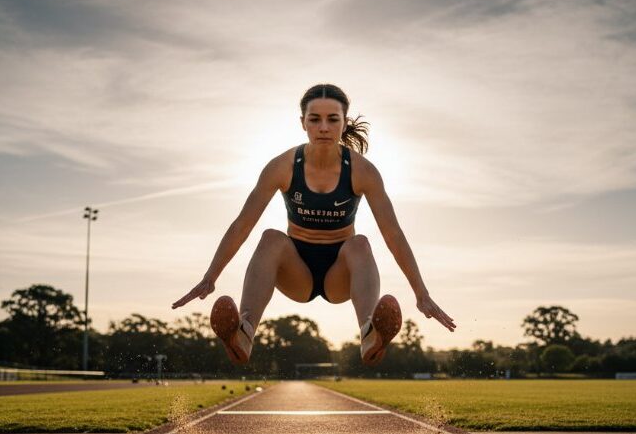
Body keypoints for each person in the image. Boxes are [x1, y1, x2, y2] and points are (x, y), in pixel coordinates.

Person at [172, 83, 455, 365]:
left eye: (333, 119)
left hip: (340, 274)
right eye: (315, 119)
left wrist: (421, 293)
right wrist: (210, 277)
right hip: (297, 273)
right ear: (303, 123)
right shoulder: (282, 166)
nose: (323, 127)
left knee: (360, 243)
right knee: (271, 237)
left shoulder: (362, 171)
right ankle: (243, 334)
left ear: (344, 123)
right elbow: (242, 225)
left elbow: (393, 234)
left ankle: (370, 333)